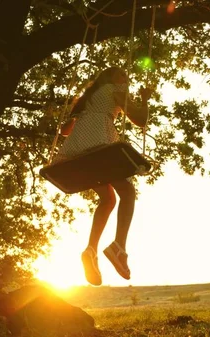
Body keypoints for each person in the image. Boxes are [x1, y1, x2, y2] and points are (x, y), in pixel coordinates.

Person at [55, 66, 153, 286]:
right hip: (99, 143)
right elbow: (140, 119)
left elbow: (65, 132)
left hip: (77, 152)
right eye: (123, 75)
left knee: (108, 199)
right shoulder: (114, 89)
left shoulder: (86, 99)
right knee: (127, 191)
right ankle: (119, 247)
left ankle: (91, 250)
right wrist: (144, 99)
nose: (126, 78)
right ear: (111, 77)